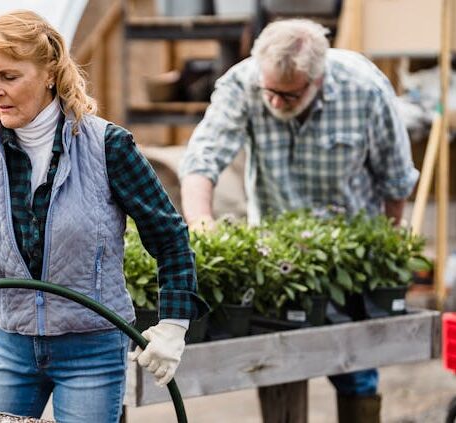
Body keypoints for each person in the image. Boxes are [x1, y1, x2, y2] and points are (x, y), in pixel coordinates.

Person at [0, 10, 208, 423]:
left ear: (50, 72)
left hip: (92, 349)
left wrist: (174, 323)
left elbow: (169, 235)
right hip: (10, 345)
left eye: (9, 76)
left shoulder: (107, 146)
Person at [180, 19, 419, 423]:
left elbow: (396, 181)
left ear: (317, 79)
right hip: (275, 258)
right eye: (269, 92)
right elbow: (201, 162)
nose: (274, 103)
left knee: (354, 367)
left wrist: (385, 252)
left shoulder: (365, 89)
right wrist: (202, 225)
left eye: (288, 97)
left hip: (348, 259)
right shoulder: (243, 84)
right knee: (275, 365)